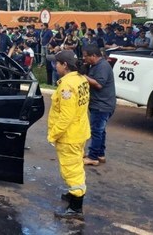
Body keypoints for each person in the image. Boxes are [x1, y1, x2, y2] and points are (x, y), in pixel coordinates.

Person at [47, 50, 90, 220]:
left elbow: (66, 116)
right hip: (79, 131)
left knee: (71, 170)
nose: (55, 66)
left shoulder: (67, 86)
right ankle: (74, 194)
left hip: (69, 136)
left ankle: (76, 207)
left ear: (64, 65)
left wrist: (53, 135)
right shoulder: (80, 79)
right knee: (76, 164)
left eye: (56, 63)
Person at [81, 44, 116, 166]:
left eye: (86, 56)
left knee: (96, 131)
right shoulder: (96, 65)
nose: (84, 58)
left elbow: (99, 84)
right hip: (103, 103)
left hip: (102, 105)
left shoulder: (102, 66)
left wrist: (83, 76)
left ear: (94, 55)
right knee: (101, 131)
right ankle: (100, 154)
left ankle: (93, 157)